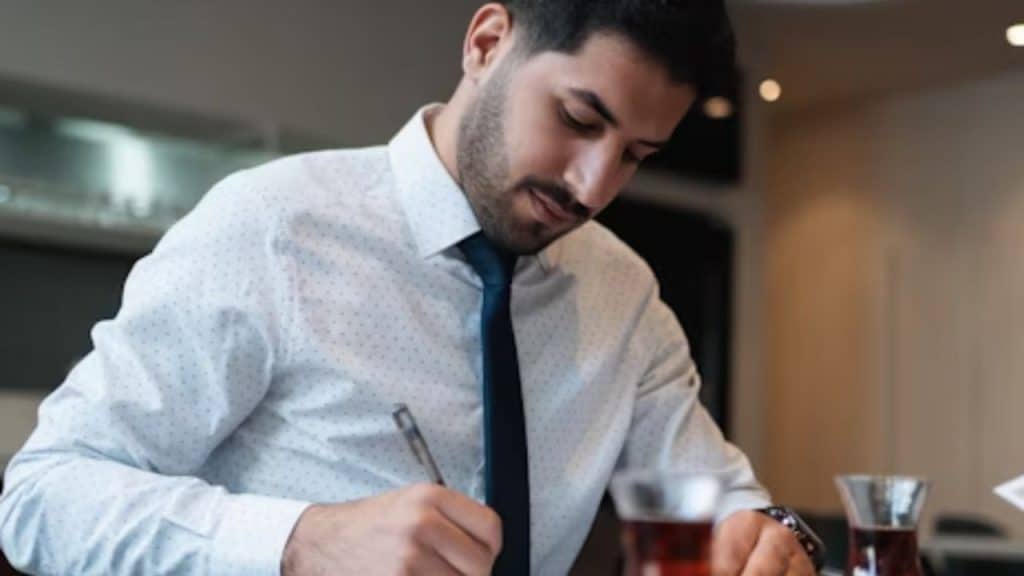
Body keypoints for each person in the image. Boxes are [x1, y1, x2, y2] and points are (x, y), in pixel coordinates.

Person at [0, 2, 821, 575]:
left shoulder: (625, 297)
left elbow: (725, 507)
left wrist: (772, 535)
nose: (595, 185)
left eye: (637, 154)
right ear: (488, 42)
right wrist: (297, 543)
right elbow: (42, 496)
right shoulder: (274, 227)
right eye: (577, 119)